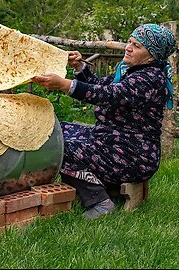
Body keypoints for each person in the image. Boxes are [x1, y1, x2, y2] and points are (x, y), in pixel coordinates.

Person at [31, 24, 177, 219]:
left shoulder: (149, 79)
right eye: (129, 42)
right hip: (111, 139)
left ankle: (99, 202)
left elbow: (108, 94)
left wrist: (64, 85)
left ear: (152, 55)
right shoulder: (131, 70)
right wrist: (80, 67)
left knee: (61, 148)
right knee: (55, 131)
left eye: (137, 46)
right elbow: (101, 84)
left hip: (132, 155)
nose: (128, 47)